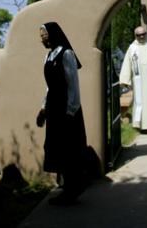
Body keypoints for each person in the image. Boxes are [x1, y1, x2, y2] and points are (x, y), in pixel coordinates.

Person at [36, 22, 88, 205]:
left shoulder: (66, 54)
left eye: (44, 35)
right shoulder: (48, 56)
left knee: (69, 149)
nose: (42, 39)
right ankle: (67, 187)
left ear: (52, 34)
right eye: (41, 36)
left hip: (66, 109)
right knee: (56, 147)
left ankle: (72, 189)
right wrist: (43, 108)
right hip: (54, 107)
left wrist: (71, 110)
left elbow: (73, 84)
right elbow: (50, 87)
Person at [119, 26, 147, 132]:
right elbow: (127, 64)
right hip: (140, 81)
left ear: (146, 34)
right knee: (140, 102)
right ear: (135, 36)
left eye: (143, 34)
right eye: (139, 35)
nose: (142, 36)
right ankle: (142, 126)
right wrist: (125, 80)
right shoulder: (132, 48)